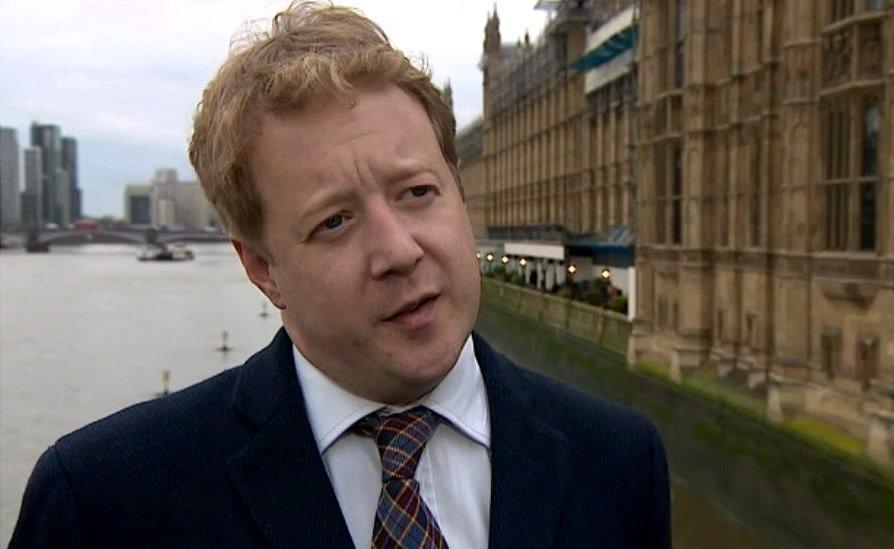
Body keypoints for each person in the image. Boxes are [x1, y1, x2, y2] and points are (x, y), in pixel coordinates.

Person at [10, 3, 670, 547]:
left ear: (460, 194)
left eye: (417, 192)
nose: (400, 251)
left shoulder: (619, 459)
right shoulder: (102, 504)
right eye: (334, 222)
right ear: (263, 269)